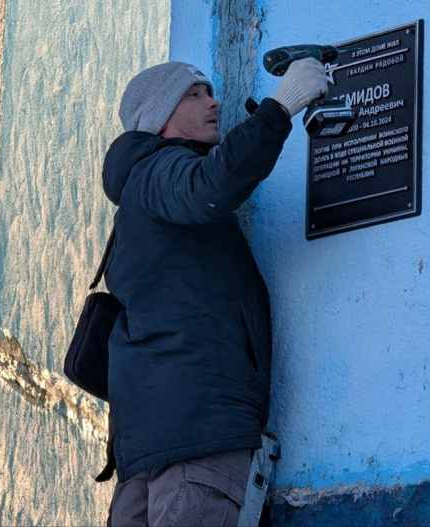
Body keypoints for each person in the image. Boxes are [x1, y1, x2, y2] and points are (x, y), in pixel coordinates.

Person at [99, 58, 328, 526]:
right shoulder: (158, 169)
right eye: (195, 94)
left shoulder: (140, 198)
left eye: (209, 91)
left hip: (149, 448)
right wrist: (282, 105)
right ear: (161, 117)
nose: (214, 102)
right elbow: (211, 185)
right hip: (198, 437)